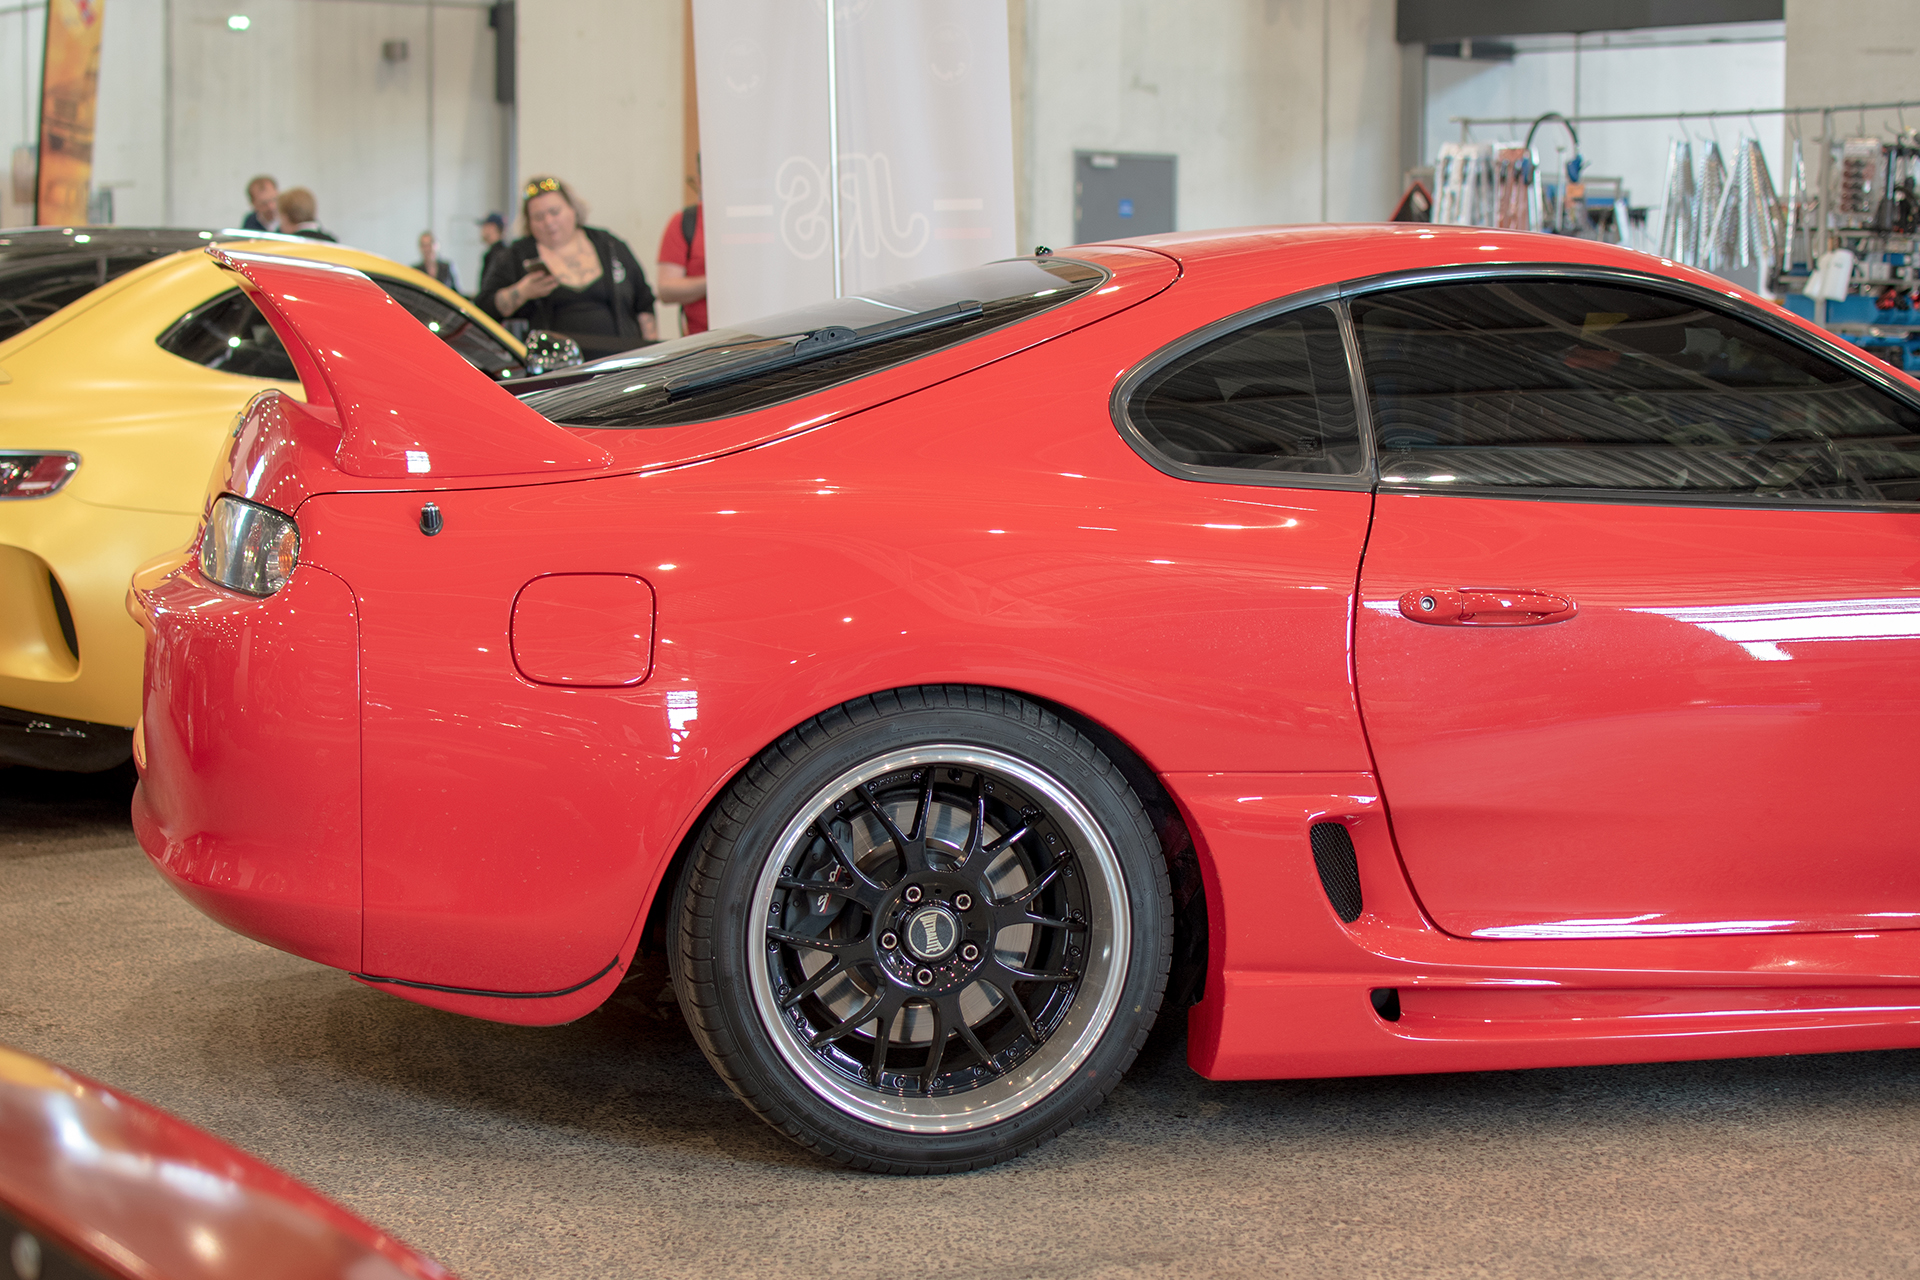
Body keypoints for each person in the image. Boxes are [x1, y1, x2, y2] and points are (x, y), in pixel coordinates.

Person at [479, 176, 657, 354]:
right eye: (539, 217)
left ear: (573, 209)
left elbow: (644, 303)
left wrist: (650, 357)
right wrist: (522, 292)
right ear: (529, 222)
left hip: (619, 360)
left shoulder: (609, 245)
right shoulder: (515, 255)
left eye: (555, 212)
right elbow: (483, 310)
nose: (549, 222)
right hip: (553, 366)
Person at [657, 200, 706, 334]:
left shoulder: (765, 216)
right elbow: (666, 289)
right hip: (701, 340)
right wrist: (716, 281)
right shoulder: (687, 220)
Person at [476, 213, 508, 301]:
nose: (481, 231)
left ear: (492, 227)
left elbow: (489, 288)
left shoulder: (497, 256)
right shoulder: (504, 252)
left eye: (484, 226)